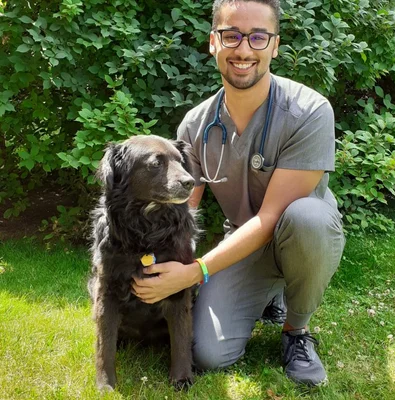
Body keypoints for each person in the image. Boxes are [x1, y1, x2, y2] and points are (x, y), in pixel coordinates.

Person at [132, 0, 345, 387]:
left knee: (306, 219)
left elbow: (271, 217)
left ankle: (296, 330)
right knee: (208, 353)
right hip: (243, 241)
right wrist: (161, 265)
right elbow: (183, 212)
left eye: (258, 37)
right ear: (213, 42)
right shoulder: (195, 125)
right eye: (231, 35)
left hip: (300, 234)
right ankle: (267, 294)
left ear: (275, 45)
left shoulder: (310, 111)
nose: (244, 49)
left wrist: (196, 272)